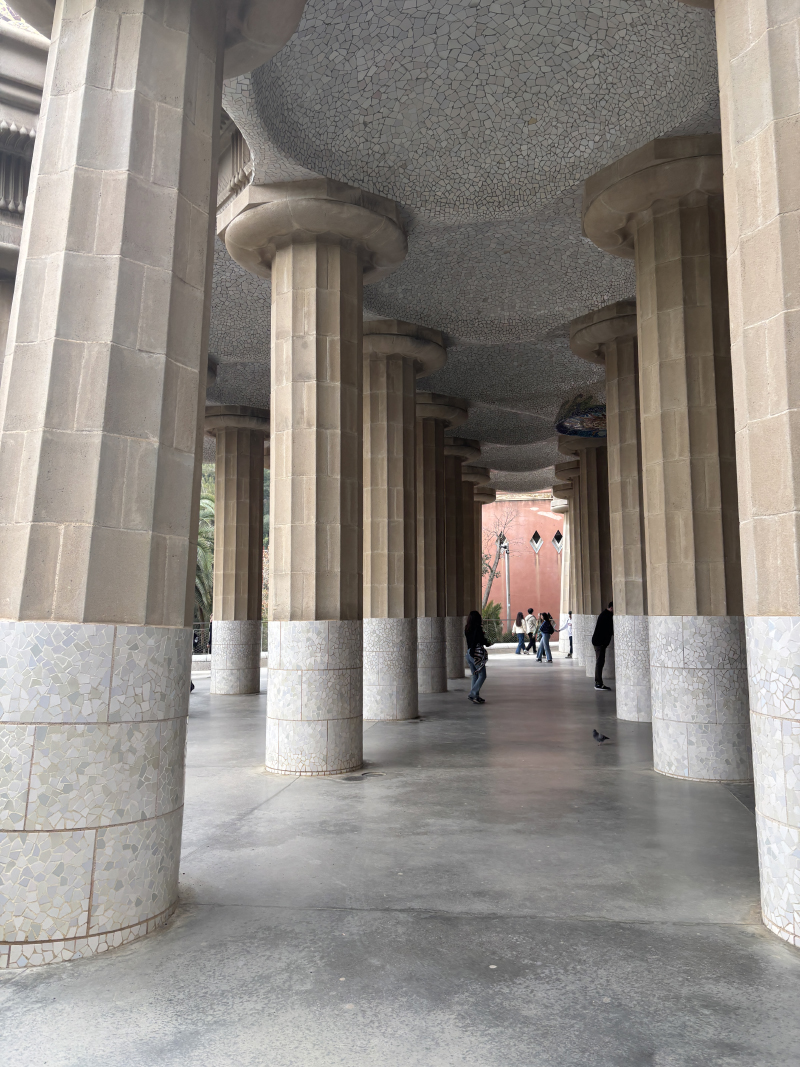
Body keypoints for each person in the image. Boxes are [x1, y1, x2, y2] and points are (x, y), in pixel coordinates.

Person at [464, 609, 492, 704]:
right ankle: (472, 694)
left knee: (475, 675)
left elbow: (472, 640)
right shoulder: (478, 628)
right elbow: (480, 640)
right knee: (482, 675)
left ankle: (475, 696)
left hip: (469, 653)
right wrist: (488, 642)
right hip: (476, 655)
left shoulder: (467, 628)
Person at [592, 601, 614, 690]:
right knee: (599, 662)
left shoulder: (604, 614)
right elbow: (609, 630)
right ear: (611, 608)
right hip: (599, 643)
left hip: (599, 642)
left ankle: (599, 683)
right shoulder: (607, 616)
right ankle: (598, 683)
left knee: (600, 662)